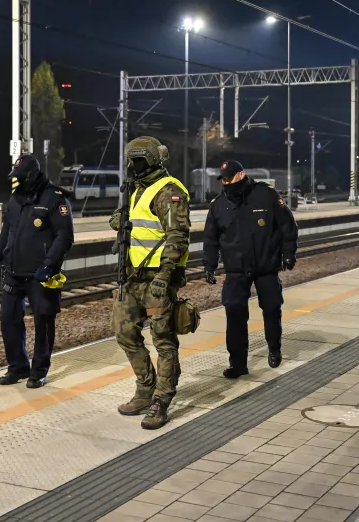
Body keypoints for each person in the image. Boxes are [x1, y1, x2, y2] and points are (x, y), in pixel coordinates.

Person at [109, 136, 190, 430]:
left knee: (163, 341)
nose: (133, 165)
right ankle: (145, 388)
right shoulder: (137, 190)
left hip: (158, 279)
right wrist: (122, 218)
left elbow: (177, 237)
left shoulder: (169, 191)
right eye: (131, 160)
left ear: (153, 160)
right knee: (123, 331)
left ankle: (162, 399)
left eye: (138, 160)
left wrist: (165, 277)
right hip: (132, 277)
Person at [202, 160, 298, 379]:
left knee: (272, 309)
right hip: (236, 270)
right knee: (234, 314)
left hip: (266, 267)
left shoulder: (266, 195)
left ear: (242, 174)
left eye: (230, 178)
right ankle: (238, 364)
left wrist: (289, 253)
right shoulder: (219, 205)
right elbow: (210, 239)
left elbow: (287, 226)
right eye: (223, 179)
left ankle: (274, 348)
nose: (226, 182)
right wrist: (209, 265)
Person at [0, 154, 74, 388]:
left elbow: (64, 236)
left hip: (40, 274)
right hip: (13, 272)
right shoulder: (15, 199)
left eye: (21, 177)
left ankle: (39, 370)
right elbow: (7, 233)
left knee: (43, 322)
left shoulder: (55, 198)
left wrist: (49, 265)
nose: (17, 182)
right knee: (8, 319)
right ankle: (18, 367)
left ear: (32, 175)